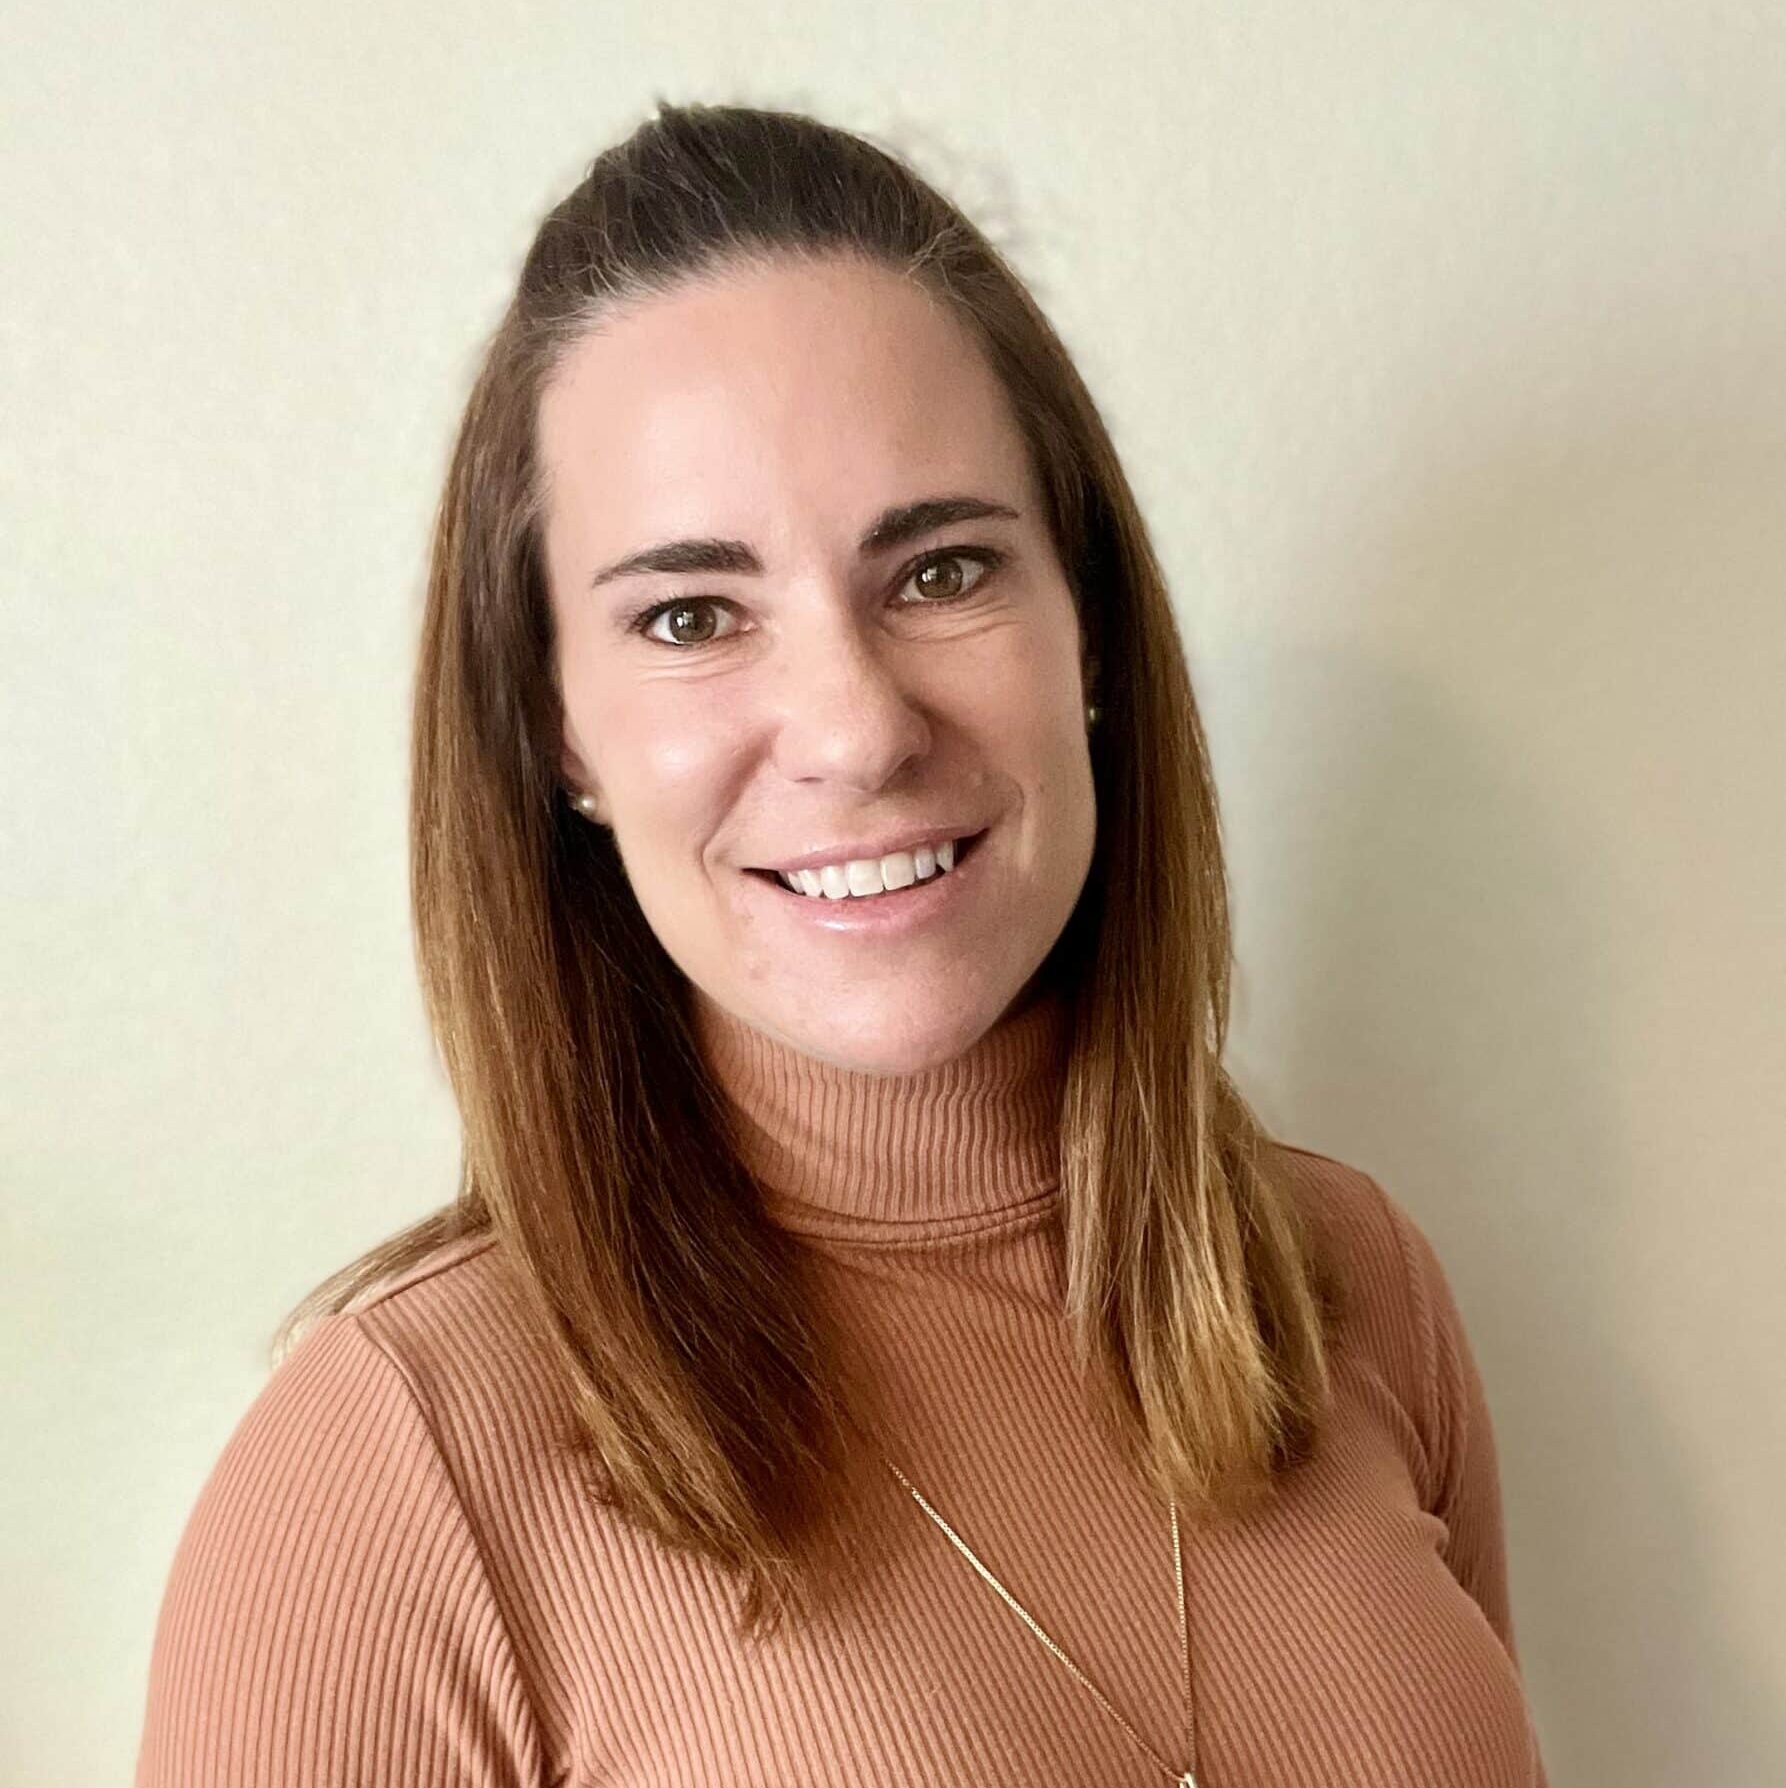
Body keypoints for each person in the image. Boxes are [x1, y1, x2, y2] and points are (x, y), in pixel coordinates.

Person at [134, 100, 1549, 1787]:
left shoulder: (1348, 1284)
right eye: (690, 615)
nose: (855, 728)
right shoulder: (394, 1467)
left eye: (940, 570)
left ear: (1082, 625)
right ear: (558, 732)